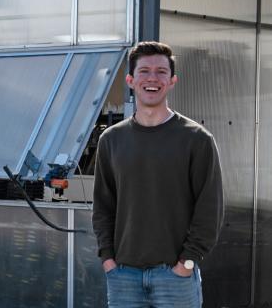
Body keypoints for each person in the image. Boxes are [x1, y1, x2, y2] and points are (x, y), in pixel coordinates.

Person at [92, 41, 224, 307]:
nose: (152, 78)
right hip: (123, 277)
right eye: (144, 71)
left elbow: (210, 210)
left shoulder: (197, 139)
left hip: (175, 278)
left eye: (161, 72)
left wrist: (187, 263)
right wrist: (108, 260)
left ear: (172, 80)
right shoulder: (111, 140)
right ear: (130, 80)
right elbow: (103, 208)